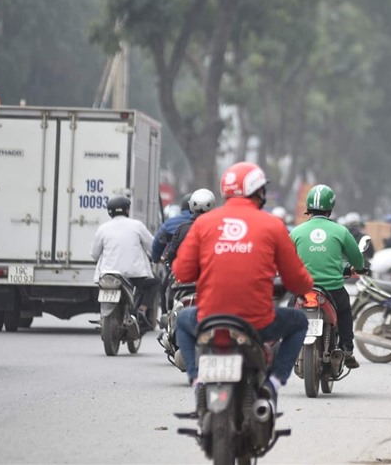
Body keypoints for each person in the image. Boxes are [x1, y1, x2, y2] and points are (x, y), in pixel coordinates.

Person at [172, 161, 313, 406]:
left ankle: (196, 380)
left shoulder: (203, 224)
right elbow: (296, 281)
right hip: (257, 324)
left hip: (208, 320)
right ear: (258, 192)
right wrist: (306, 284)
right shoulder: (273, 225)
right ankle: (274, 383)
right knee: (300, 321)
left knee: (182, 320)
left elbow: (182, 272)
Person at [290, 184, 366, 369]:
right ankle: (347, 349)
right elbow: (357, 258)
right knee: (345, 313)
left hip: (303, 288)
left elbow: (287, 260)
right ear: (331, 207)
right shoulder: (341, 231)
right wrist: (359, 268)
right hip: (333, 290)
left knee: (290, 312)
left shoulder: (296, 232)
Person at [91, 195, 158, 331]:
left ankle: (104, 318)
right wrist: (158, 257)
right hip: (134, 274)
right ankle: (142, 310)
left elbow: (94, 254)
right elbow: (153, 246)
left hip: (108, 274)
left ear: (110, 211)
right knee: (155, 282)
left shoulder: (103, 228)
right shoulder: (137, 225)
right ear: (127, 210)